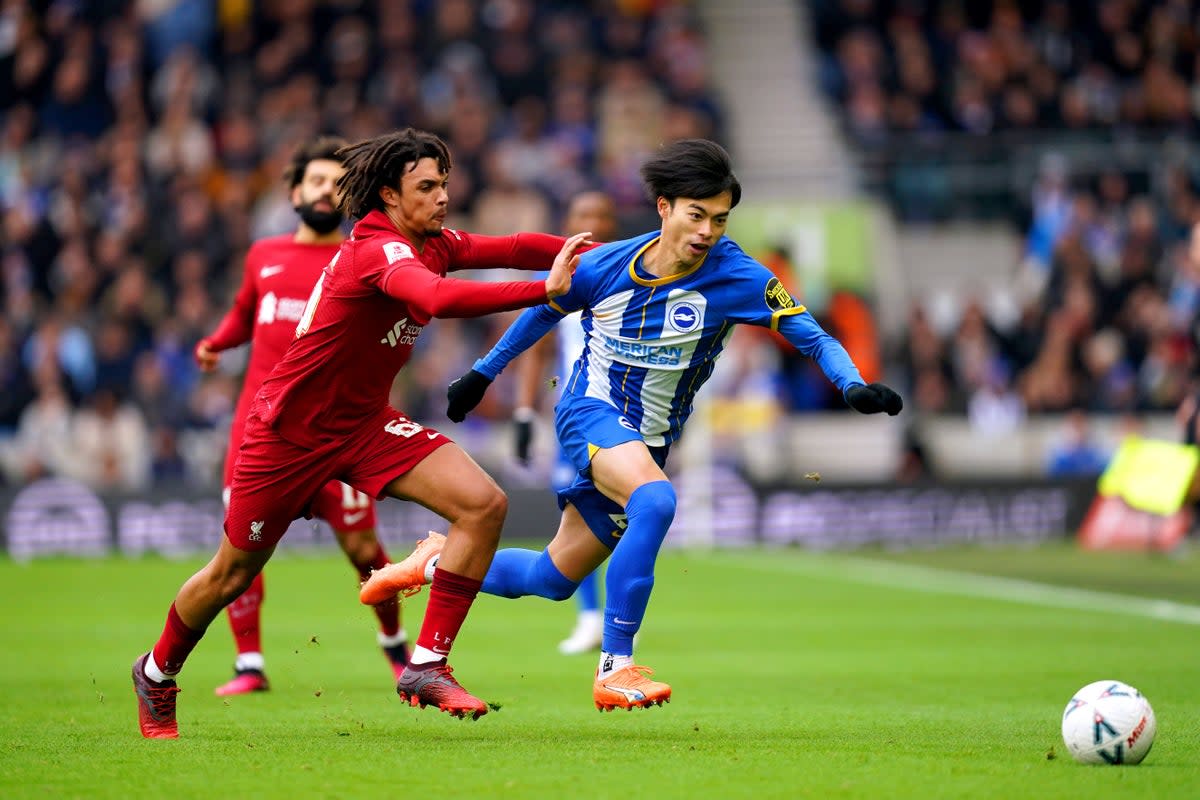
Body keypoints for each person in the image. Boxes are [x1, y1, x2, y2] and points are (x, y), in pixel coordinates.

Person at [361, 139, 903, 711]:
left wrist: (852, 384)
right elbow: (543, 311)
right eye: (696, 216)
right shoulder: (604, 265)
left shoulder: (740, 277)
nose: (707, 232)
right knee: (657, 502)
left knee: (551, 577)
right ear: (664, 208)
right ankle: (615, 667)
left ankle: (433, 559)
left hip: (649, 440)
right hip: (589, 411)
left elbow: (811, 334)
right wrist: (481, 373)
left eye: (719, 219)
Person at [132, 127, 592, 738]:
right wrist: (548, 292)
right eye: (426, 187)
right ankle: (157, 673)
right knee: (231, 574)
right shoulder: (377, 251)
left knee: (484, 504)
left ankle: (426, 665)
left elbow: (509, 244)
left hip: (365, 426)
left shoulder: (431, 239)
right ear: (389, 195)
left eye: (445, 184)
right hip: (287, 435)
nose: (442, 197)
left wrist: (615, 255)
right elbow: (438, 297)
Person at [193, 136, 413, 696]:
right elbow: (246, 314)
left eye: (337, 184)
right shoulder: (262, 256)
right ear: (293, 191)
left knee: (364, 550)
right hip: (260, 431)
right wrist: (216, 342)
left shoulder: (360, 260)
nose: (325, 190)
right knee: (239, 553)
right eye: (315, 180)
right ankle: (249, 665)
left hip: (335, 431)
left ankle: (397, 651)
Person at [511, 190, 620, 655]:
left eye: (601, 215)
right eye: (582, 216)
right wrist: (523, 412)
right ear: (568, 222)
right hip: (577, 414)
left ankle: (608, 619)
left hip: (629, 413)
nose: (592, 223)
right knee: (581, 515)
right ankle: (592, 616)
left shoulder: (635, 270)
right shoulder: (555, 277)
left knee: (622, 518)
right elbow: (533, 348)